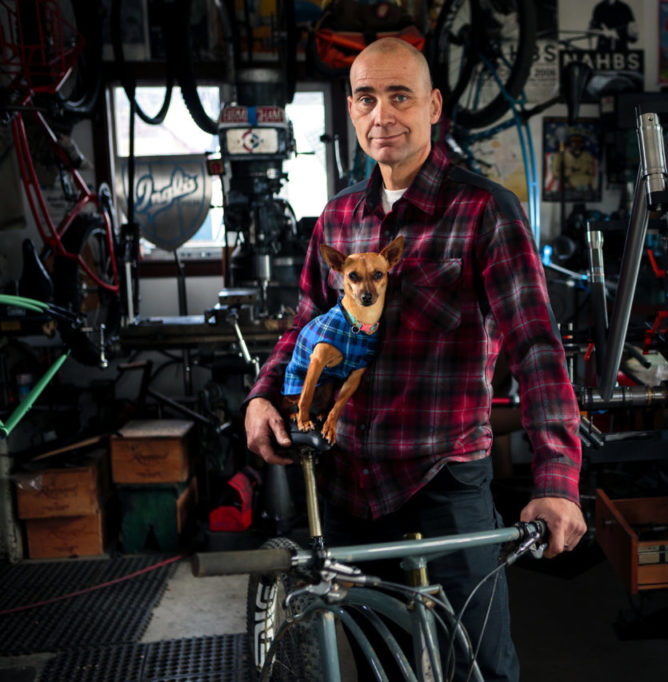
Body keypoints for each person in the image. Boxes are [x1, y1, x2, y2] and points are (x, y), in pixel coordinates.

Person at [243, 37, 587, 681]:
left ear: (432, 107)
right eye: (368, 98)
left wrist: (556, 482)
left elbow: (536, 349)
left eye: (400, 96)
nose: (383, 115)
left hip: (444, 480)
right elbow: (305, 324)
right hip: (348, 484)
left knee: (477, 664)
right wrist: (265, 392)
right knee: (377, 658)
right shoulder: (338, 218)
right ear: (350, 110)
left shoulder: (484, 211)